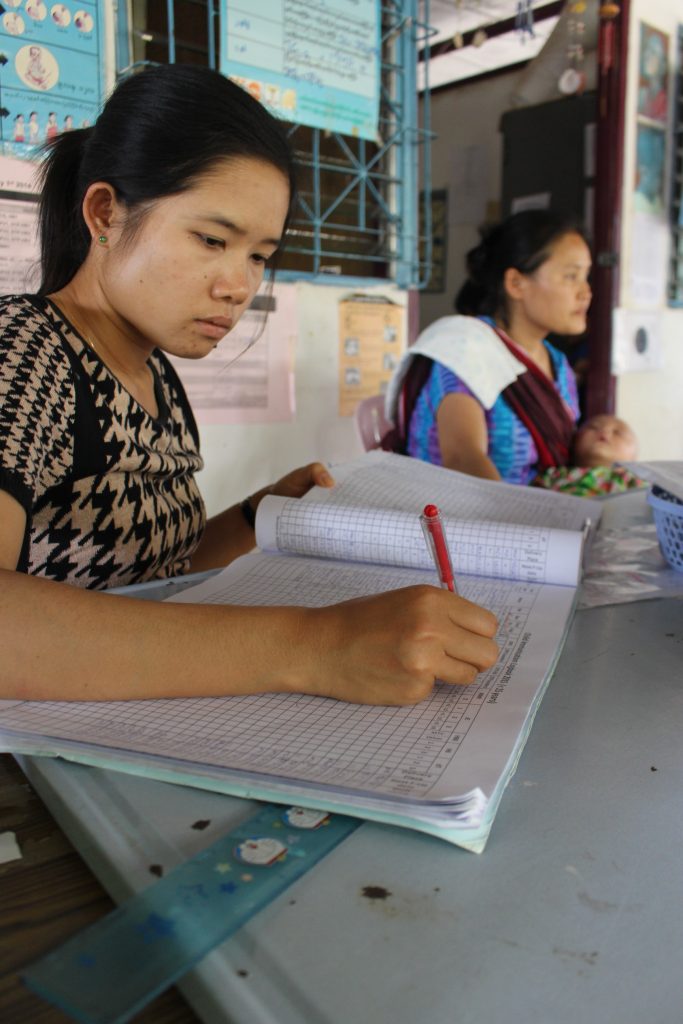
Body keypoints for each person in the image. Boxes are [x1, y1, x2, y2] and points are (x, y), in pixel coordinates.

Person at [0, 65, 498, 706]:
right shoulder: (26, 349)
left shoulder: (154, 376)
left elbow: (146, 571)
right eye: (212, 239)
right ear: (104, 212)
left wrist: (254, 516)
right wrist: (316, 645)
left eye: (259, 255)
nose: (238, 286)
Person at [385, 210, 590, 485]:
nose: (585, 292)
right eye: (571, 276)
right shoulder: (464, 352)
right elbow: (462, 459)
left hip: (543, 516)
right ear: (516, 283)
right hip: (467, 520)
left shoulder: (558, 364)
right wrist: (515, 525)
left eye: (586, 277)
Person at [533, 414, 645, 497]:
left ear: (633, 457)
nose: (605, 432)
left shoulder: (632, 480)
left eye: (618, 433)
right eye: (594, 427)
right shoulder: (553, 474)